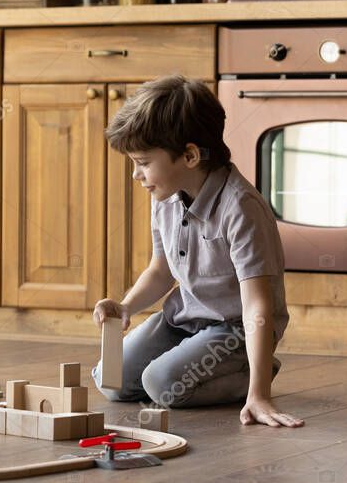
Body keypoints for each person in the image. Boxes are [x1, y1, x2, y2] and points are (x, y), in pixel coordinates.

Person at [92, 74, 303, 428]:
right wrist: (126, 305)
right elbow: (161, 270)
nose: (135, 175)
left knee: (163, 386)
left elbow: (256, 304)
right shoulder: (165, 196)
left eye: (143, 163)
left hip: (233, 331)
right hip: (184, 319)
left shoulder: (241, 207)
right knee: (110, 380)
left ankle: (250, 372)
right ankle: (186, 366)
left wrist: (260, 395)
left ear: (189, 155)